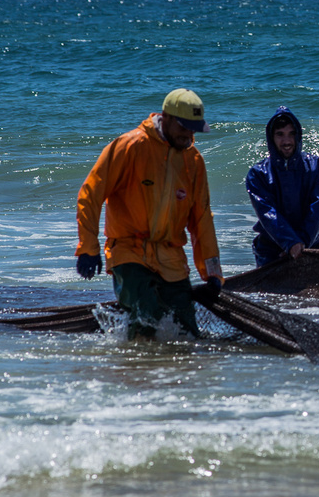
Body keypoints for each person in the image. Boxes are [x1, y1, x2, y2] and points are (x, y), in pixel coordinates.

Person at [75, 88, 224, 339]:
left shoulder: (193, 161)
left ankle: (174, 376)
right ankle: (137, 371)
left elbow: (202, 219)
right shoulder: (130, 146)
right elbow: (91, 194)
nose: (189, 135)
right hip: (128, 251)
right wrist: (88, 247)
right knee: (147, 316)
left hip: (171, 257)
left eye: (194, 129)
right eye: (184, 127)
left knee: (187, 329)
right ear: (166, 117)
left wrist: (212, 273)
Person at [246, 106, 319, 266]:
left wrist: (301, 243)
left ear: (298, 135)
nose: (286, 141)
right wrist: (290, 243)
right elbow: (267, 213)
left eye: (291, 134)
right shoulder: (257, 174)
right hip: (271, 252)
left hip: (312, 246)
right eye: (280, 134)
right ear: (271, 137)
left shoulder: (318, 167)